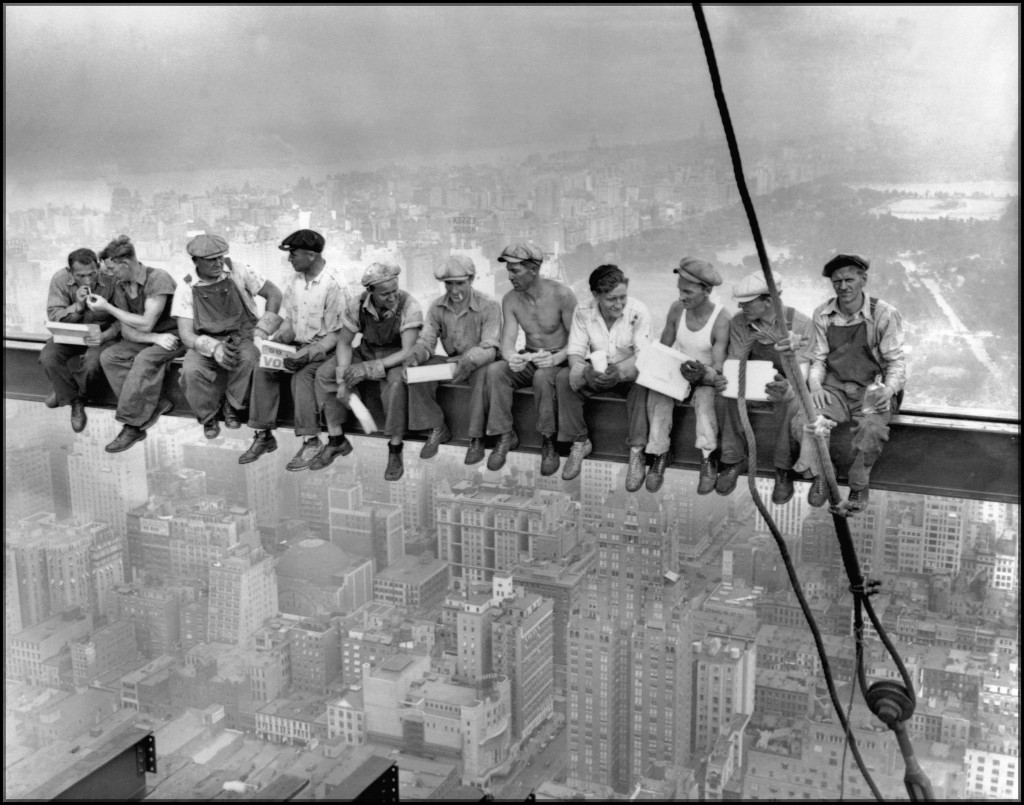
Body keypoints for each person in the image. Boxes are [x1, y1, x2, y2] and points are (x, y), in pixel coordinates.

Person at [790, 254, 907, 512]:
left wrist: (888, 389)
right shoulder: (823, 313)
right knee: (805, 421)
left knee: (872, 431)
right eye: (837, 281)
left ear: (863, 279)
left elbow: (896, 362)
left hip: (872, 389)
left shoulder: (884, 314)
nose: (843, 287)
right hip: (835, 388)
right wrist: (816, 386)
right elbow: (818, 359)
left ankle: (858, 484)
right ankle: (822, 476)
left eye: (849, 279)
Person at [239, 229, 346, 470]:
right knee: (263, 367)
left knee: (302, 375)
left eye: (293, 255)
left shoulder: (334, 285)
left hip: (326, 351)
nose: (290, 260)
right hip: (299, 345)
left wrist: (306, 354)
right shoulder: (295, 282)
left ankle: (311, 441)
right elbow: (290, 320)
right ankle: (263, 435)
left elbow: (336, 335)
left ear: (310, 255)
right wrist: (278, 342)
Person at [714, 272, 813, 504]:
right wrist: (727, 379)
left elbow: (803, 369)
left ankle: (783, 469)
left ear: (768, 301)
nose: (740, 306)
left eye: (747, 303)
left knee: (789, 402)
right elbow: (736, 361)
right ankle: (733, 458)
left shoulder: (800, 324)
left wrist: (789, 387)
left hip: (787, 385)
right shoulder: (740, 322)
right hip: (752, 383)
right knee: (724, 396)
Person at [172, 233, 283, 440]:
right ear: (195, 261)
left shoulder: (238, 270)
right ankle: (208, 416)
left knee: (250, 359)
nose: (218, 263)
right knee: (190, 370)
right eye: (210, 259)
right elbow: (186, 334)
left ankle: (232, 406)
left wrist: (262, 330)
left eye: (220, 257)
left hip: (243, 335)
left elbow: (275, 294)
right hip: (206, 339)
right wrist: (214, 348)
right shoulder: (186, 286)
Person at [319, 262, 423, 480]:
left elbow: (407, 350)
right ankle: (338, 438)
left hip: (395, 357)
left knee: (395, 385)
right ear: (371, 292)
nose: (392, 297)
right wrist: (342, 374)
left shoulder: (409, 306)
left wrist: (368, 369)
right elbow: (345, 343)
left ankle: (395, 448)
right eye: (385, 294)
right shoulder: (357, 305)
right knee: (325, 374)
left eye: (394, 291)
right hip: (367, 350)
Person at [483, 242, 577, 475]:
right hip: (531, 355)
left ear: (533, 270)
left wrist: (557, 359)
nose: (510, 276)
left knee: (543, 378)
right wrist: (512, 358)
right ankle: (505, 435)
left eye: (515, 271)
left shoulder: (563, 295)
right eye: (509, 270)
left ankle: (549, 441)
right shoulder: (511, 300)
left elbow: (578, 341)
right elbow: (507, 342)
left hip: (560, 359)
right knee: (495, 371)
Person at [555, 264, 652, 487]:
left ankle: (637, 451)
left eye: (622, 297)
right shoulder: (583, 311)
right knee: (563, 379)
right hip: (597, 371)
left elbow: (643, 355)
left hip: (627, 372)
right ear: (596, 296)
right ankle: (580, 442)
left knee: (642, 386)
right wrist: (586, 371)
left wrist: (618, 372)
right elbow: (575, 352)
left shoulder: (638, 311)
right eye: (612, 299)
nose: (619, 304)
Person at [644, 257, 732, 494]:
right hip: (679, 369)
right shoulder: (676, 309)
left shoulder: (721, 320)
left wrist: (703, 374)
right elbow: (664, 348)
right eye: (679, 290)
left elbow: (719, 366)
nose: (682, 297)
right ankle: (659, 451)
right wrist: (658, 372)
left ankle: (707, 456)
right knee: (658, 394)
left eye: (688, 292)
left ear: (707, 290)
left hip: (704, 375)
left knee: (704, 401)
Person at [89, 235, 184, 452]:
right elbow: (127, 329)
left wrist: (108, 308)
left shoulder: (157, 278)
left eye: (112, 269)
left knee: (144, 359)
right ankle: (155, 404)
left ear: (125, 263)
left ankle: (132, 425)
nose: (110, 274)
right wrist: (154, 338)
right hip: (154, 338)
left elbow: (145, 322)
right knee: (110, 356)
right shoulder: (122, 285)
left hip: (175, 337)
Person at [403, 254, 501, 462]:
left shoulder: (489, 305)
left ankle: (476, 437)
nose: (454, 291)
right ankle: (437, 426)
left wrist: (470, 360)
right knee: (417, 374)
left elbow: (490, 347)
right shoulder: (438, 307)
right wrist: (414, 357)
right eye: (449, 284)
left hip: (479, 362)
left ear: (471, 280)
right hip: (453, 363)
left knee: (483, 374)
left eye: (460, 284)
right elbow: (427, 341)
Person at [40, 247, 121, 433]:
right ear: (70, 272)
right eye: (81, 276)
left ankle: (65, 392)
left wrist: (106, 336)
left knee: (93, 363)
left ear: (98, 267)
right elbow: (54, 315)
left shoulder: (112, 278)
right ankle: (74, 401)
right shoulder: (60, 280)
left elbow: (122, 317)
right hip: (70, 331)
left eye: (92, 274)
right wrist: (77, 306)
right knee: (49, 357)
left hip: (102, 333)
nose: (88, 280)